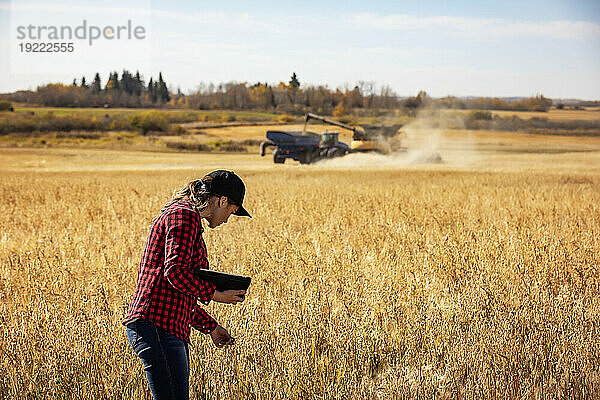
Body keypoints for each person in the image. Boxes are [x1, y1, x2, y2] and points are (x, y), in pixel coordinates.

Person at [123, 170, 252, 400]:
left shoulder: (184, 216)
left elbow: (177, 292)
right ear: (222, 201)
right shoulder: (184, 216)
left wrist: (210, 327)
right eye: (230, 213)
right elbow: (175, 272)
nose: (226, 220)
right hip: (157, 326)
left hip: (162, 325)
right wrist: (215, 294)